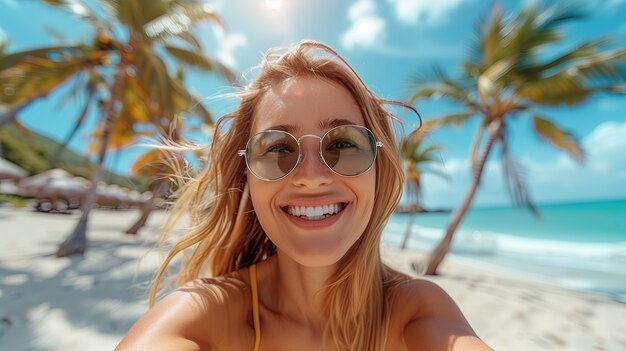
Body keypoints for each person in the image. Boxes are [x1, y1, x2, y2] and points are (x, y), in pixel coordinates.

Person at [116, 40, 492, 351]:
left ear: (381, 167)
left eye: (344, 143)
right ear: (247, 177)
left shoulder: (418, 312)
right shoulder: (203, 315)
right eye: (278, 149)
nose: (311, 177)